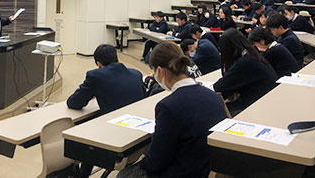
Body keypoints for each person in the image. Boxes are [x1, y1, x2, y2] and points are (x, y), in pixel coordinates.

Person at [117, 42, 227, 178]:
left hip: (183, 172)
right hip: (206, 167)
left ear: (161, 71)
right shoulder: (213, 96)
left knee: (124, 174)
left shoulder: (168, 106)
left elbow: (157, 162)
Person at [67, 44, 146, 178]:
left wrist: (91, 92)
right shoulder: (136, 74)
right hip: (138, 143)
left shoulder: (95, 76)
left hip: (115, 144)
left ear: (98, 63)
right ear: (117, 58)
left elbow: (74, 103)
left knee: (82, 138)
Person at [213, 29, 277, 116]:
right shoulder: (253, 54)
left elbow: (219, 87)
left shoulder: (245, 62)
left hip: (258, 108)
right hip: (268, 100)